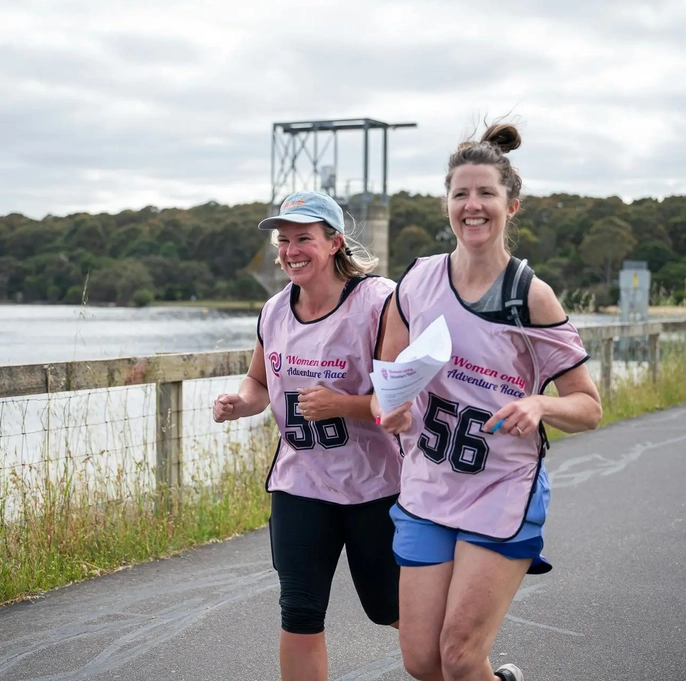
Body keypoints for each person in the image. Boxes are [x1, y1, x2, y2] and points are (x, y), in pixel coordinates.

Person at [374, 122, 603, 681]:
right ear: (447, 204)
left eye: (486, 194)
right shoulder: (417, 281)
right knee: (422, 662)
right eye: (460, 194)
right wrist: (393, 413)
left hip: (500, 488)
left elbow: (588, 407)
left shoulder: (529, 295)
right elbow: (388, 385)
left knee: (458, 656)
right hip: (429, 485)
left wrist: (541, 406)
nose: (472, 206)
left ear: (511, 205)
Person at [212, 191, 402, 681]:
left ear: (336, 242)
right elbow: (258, 382)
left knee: (391, 608)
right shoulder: (274, 310)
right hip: (301, 484)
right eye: (283, 240)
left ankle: (472, 671)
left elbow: (405, 402)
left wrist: (344, 405)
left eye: (304, 239)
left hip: (377, 487)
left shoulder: (379, 302)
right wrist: (242, 403)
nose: (290, 250)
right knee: (299, 611)